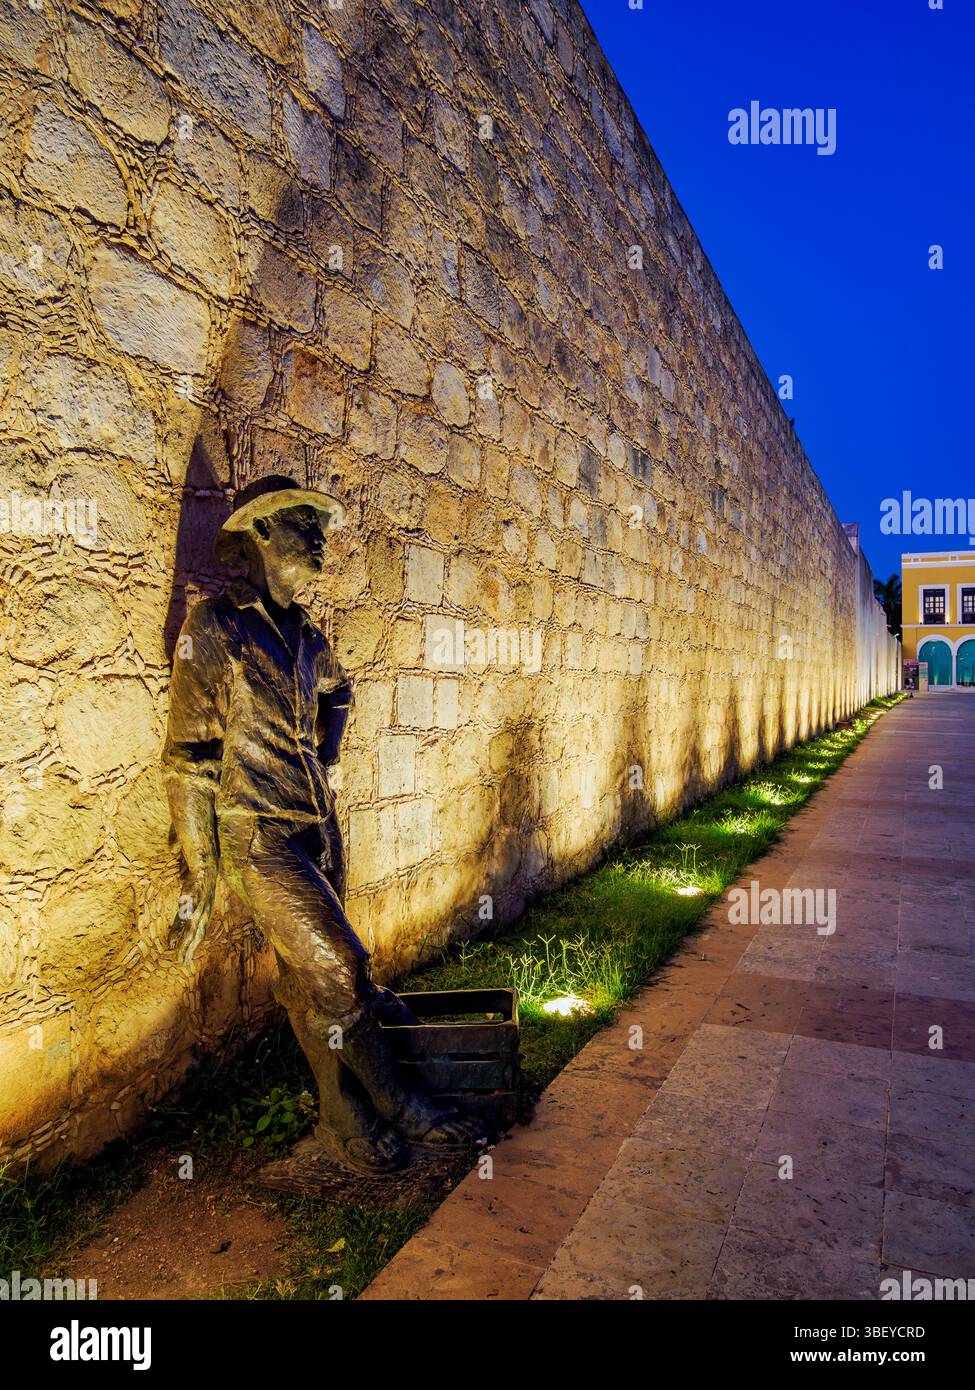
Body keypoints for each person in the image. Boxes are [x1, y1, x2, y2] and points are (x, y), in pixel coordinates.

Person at [163, 474, 475, 1175]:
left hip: (316, 828)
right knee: (342, 964)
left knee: (311, 981)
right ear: (263, 533)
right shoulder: (216, 626)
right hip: (256, 834)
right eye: (306, 523)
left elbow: (340, 691)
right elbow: (187, 758)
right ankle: (400, 1103)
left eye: (320, 527)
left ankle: (341, 1111)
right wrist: (198, 878)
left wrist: (326, 760)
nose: (319, 536)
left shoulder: (305, 634)